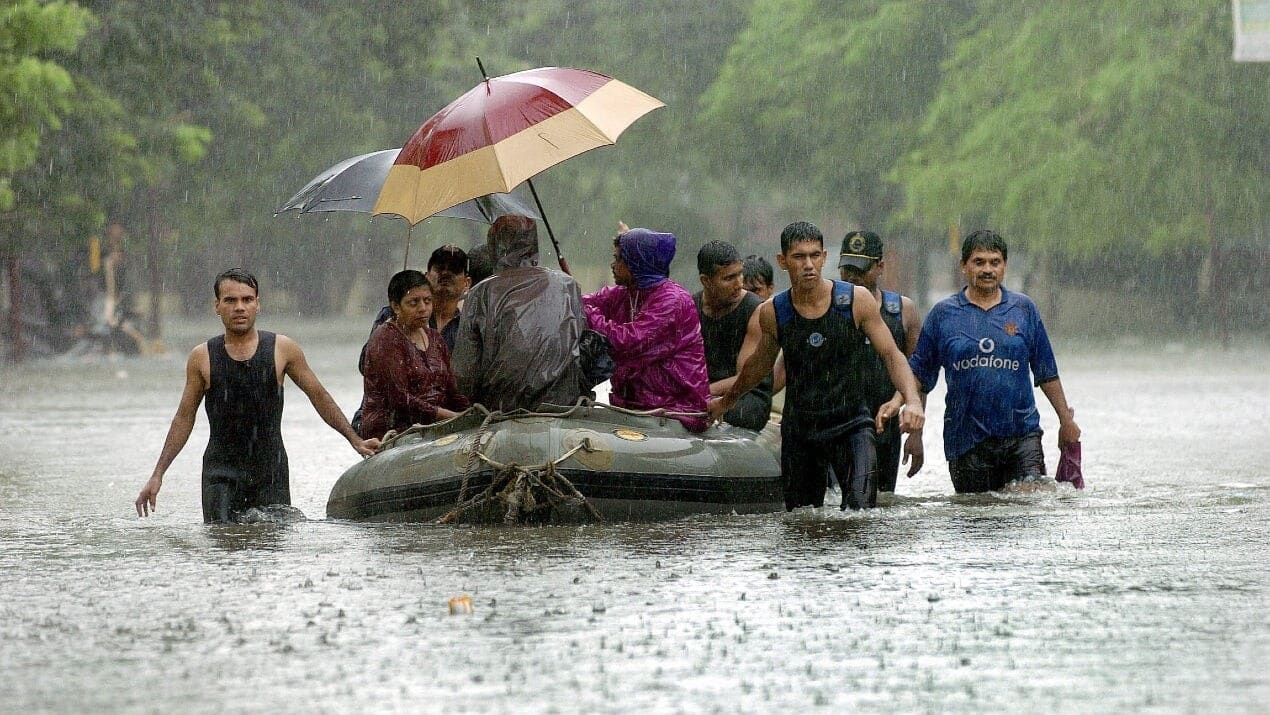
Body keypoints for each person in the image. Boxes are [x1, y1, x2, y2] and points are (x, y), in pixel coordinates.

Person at [708, 221, 925, 510]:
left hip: (852, 428)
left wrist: (912, 401)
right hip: (801, 433)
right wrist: (726, 402)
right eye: (799, 257)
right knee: (801, 522)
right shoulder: (773, 312)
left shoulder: (855, 301)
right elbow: (757, 368)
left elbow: (892, 355)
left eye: (814, 256)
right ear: (782, 261)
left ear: (824, 257)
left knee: (860, 519)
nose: (808, 265)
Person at [135, 269, 378, 523]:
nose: (239, 307)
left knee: (271, 549)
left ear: (257, 304)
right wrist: (157, 474)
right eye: (230, 300)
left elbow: (319, 396)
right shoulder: (202, 357)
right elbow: (184, 418)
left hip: (270, 472)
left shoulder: (283, 349)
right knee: (222, 544)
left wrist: (355, 439)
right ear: (217, 306)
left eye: (247, 299)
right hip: (220, 475)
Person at [904, 229, 1080, 493]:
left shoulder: (1024, 310)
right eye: (979, 262)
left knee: (1027, 506)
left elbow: (1046, 372)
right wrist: (915, 434)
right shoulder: (943, 315)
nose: (988, 269)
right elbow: (918, 377)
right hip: (966, 442)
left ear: (1005, 266)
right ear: (964, 266)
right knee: (977, 517)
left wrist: (1066, 421)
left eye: (995, 262)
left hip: (1022, 436)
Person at [452, 215, 587, 411]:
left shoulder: (481, 294)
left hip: (501, 410)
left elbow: (464, 372)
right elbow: (583, 345)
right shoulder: (567, 285)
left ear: (494, 248)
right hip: (563, 406)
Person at [583, 226, 710, 432]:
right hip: (634, 410)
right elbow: (587, 302)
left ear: (636, 262)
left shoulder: (673, 301)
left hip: (676, 412)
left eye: (618, 259)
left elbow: (626, 343)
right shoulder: (627, 293)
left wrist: (586, 313)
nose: (612, 265)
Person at [838, 230, 924, 493]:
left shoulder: (903, 310)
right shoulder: (830, 307)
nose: (852, 276)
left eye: (860, 269)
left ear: (879, 267)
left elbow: (917, 375)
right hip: (840, 422)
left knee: (882, 504)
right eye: (847, 268)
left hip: (886, 423)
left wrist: (916, 434)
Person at [359, 270, 470, 439]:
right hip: (394, 430)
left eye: (427, 301)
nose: (423, 309)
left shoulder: (435, 338)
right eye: (413, 303)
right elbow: (400, 399)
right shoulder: (386, 339)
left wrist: (469, 413)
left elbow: (451, 388)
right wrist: (447, 416)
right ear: (396, 307)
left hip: (436, 425)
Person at [693, 240, 771, 431]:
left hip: (745, 397)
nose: (739, 284)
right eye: (729, 278)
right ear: (706, 281)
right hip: (701, 391)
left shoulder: (756, 310)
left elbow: (746, 377)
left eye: (740, 274)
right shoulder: (691, 306)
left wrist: (702, 393)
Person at [425, 244, 469, 351]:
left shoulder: (470, 329)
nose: (446, 273)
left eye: (454, 269)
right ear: (426, 277)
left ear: (467, 283)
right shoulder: (398, 317)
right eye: (440, 267)